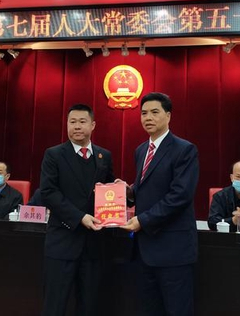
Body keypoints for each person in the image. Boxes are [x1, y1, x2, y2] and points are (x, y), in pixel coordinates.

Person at [121, 92, 199, 316]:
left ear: (168, 116)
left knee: (177, 310)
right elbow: (147, 189)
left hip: (173, 250)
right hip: (145, 250)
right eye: (144, 113)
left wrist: (142, 221)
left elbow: (180, 196)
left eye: (155, 112)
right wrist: (129, 192)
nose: (148, 117)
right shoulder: (141, 150)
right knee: (149, 309)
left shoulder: (184, 149)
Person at [39, 104, 115, 316]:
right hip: (62, 242)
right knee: (55, 306)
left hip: (93, 245)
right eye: (72, 122)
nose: (77, 126)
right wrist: (79, 217)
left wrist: (120, 192)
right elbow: (48, 192)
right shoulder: (54, 154)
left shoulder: (104, 156)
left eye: (82, 122)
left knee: (89, 306)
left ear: (93, 125)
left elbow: (108, 191)